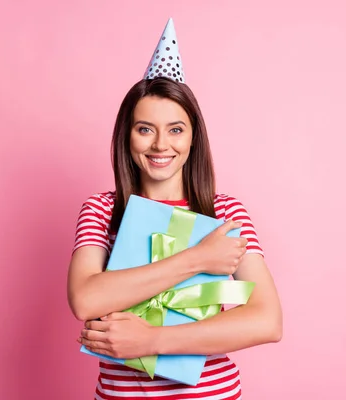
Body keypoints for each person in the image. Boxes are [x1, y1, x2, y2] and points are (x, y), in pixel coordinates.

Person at [67, 18, 282, 399]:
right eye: (145, 129)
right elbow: (86, 299)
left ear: (193, 136)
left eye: (176, 129)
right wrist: (197, 258)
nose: (160, 144)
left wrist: (151, 340)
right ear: (127, 135)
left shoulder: (224, 212)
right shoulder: (102, 210)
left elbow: (267, 321)